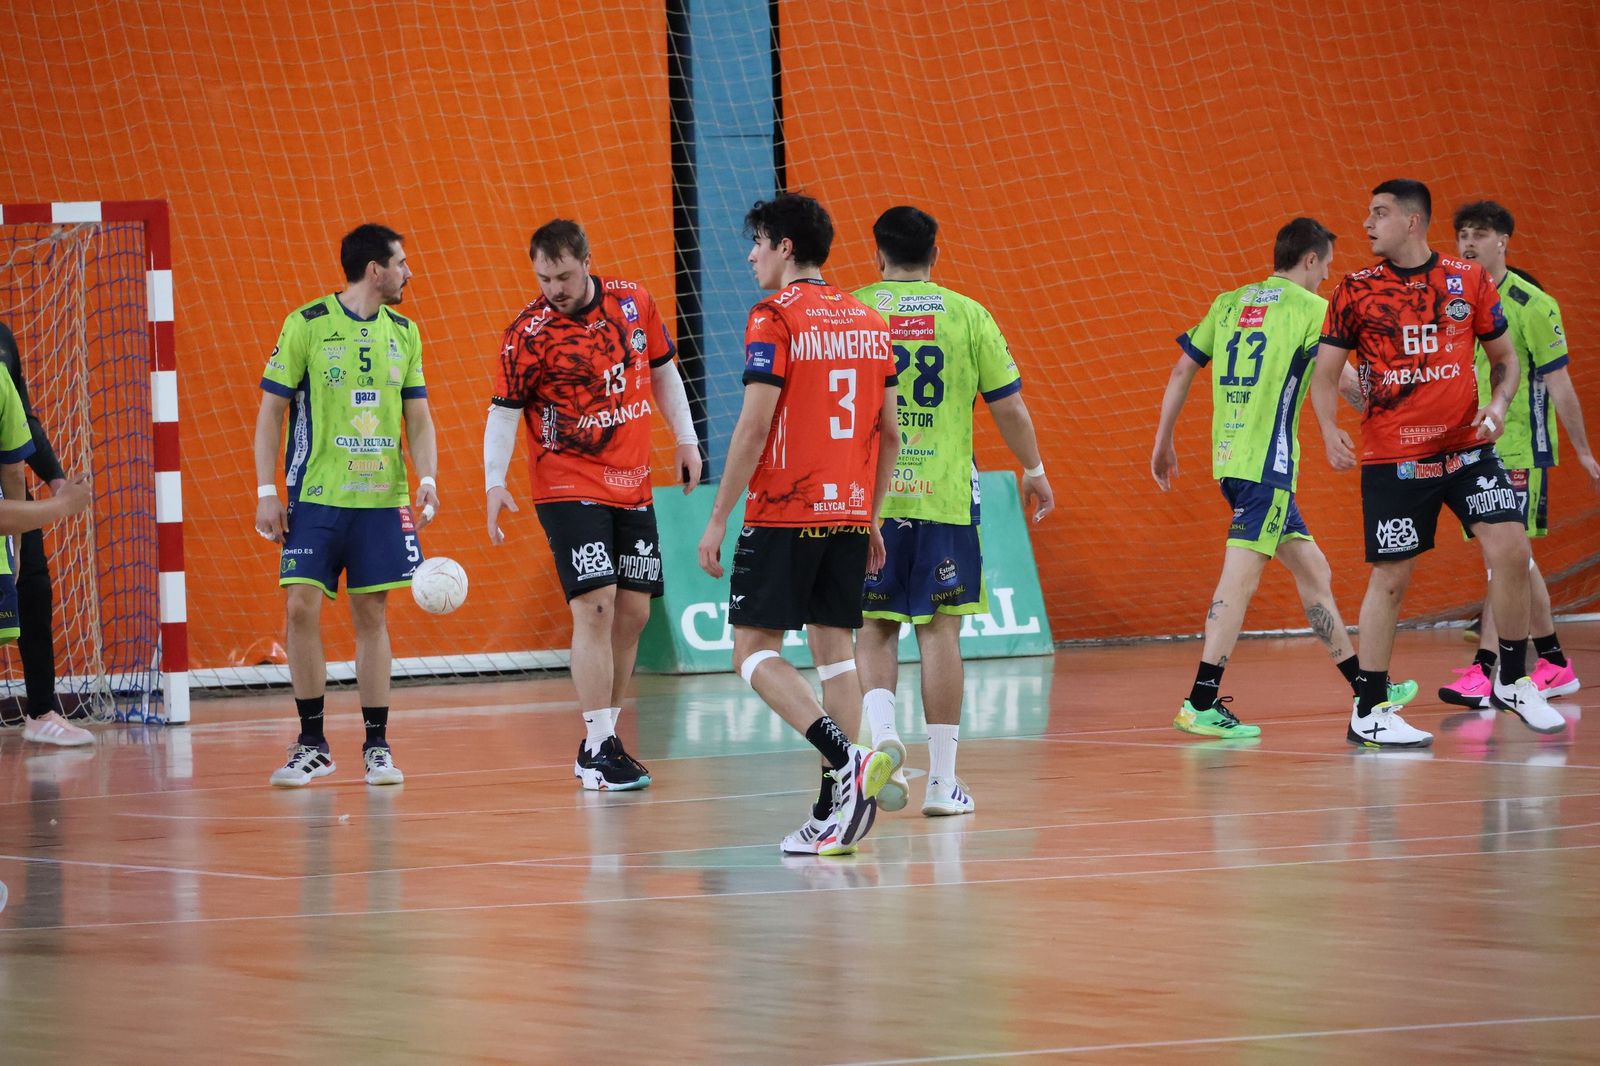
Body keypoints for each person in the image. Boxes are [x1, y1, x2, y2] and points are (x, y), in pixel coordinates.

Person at [1310, 179, 1564, 748]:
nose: (1368, 224)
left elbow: (1504, 361)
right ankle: (1370, 709)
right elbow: (1325, 374)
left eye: (1379, 213)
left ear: (1412, 222)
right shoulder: (1354, 289)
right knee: (1392, 578)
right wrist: (1328, 429)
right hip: (1394, 456)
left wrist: (1498, 405)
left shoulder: (1467, 280)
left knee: (1513, 549)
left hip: (1468, 449)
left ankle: (1516, 679)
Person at [1154, 218, 1419, 740]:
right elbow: (1342, 379)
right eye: (1327, 267)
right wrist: (1397, 416)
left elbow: (1183, 369)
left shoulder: (1229, 302)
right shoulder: (1312, 309)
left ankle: (1369, 688)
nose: (1327, 278)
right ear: (1312, 260)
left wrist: (1163, 442)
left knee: (1314, 570)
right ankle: (1200, 700)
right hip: (1268, 467)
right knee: (1240, 579)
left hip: (1229, 460)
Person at [697, 192, 899, 855]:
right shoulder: (872, 321)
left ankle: (849, 762)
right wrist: (868, 512)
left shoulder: (774, 317)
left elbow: (754, 427)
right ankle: (831, 813)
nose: (751, 255)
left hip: (787, 508)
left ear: (786, 247)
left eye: (758, 242)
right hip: (848, 509)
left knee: (752, 652)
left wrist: (719, 515)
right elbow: (889, 433)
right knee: (835, 656)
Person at [850, 205, 1053, 817]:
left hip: (871, 499)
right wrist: (1035, 470)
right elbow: (1009, 408)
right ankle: (942, 783)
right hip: (944, 497)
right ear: (936, 256)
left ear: (877, 255)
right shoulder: (967, 315)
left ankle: (883, 734)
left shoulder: (854, 311)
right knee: (940, 631)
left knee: (873, 625)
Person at [484, 219, 701, 791]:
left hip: (631, 481)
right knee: (597, 607)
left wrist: (686, 439)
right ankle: (601, 743)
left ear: (587, 261)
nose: (553, 287)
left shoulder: (634, 303)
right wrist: (492, 482)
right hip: (565, 480)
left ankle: (598, 743)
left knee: (634, 613)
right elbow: (503, 412)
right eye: (543, 277)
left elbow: (662, 372)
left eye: (563, 275)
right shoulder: (525, 335)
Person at [253, 224, 439, 787]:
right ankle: (312, 743)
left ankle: (377, 745)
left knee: (372, 617)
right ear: (375, 270)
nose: (410, 272)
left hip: (382, 501)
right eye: (402, 263)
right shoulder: (305, 325)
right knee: (301, 608)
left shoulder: (405, 333)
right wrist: (267, 492)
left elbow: (419, 417)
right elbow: (270, 414)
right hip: (315, 496)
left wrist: (427, 477)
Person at [1437, 201, 1600, 709]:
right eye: (1462, 234)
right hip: (1472, 449)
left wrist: (1585, 454)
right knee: (1513, 562)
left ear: (1503, 240)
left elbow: (1561, 384)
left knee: (1505, 560)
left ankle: (1487, 672)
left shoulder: (1532, 304)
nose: (1468, 243)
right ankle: (1551, 661)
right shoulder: (1456, 300)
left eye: (1479, 234)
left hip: (1521, 451)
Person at [0, 321, 94, 745]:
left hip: (8, 489)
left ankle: (41, 711)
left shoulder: (3, 341)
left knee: (33, 585)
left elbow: (21, 422)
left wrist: (55, 480)